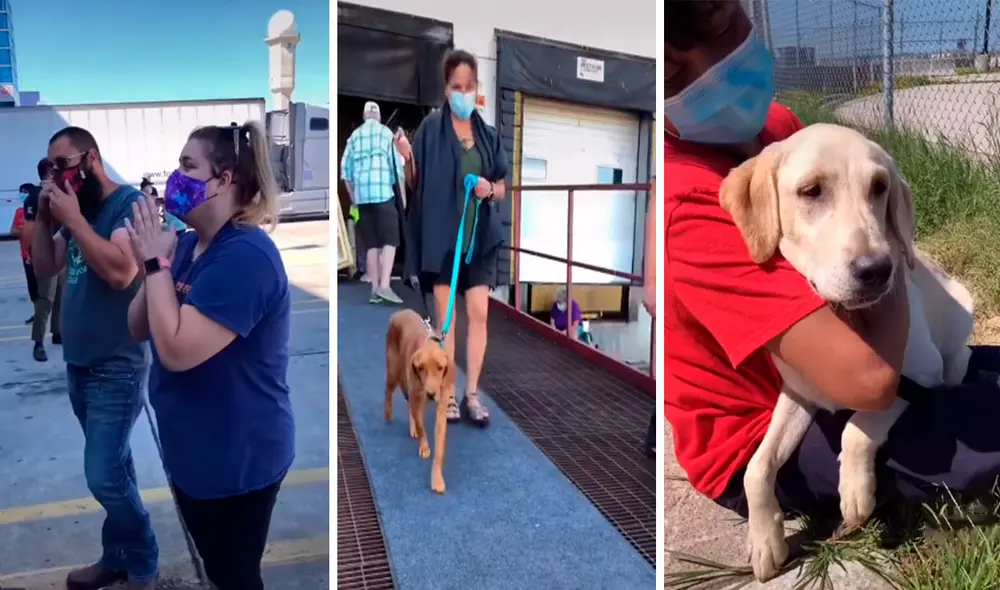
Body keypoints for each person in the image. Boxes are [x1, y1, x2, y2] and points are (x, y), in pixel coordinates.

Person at [665, 0, 1000, 536]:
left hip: (852, 367)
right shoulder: (692, 205)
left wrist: (888, 238)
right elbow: (869, 383)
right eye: (672, 68)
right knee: (983, 432)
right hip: (754, 433)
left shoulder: (778, 129)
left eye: (732, 23)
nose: (724, 62)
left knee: (984, 372)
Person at [125, 122, 294, 590]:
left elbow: (176, 350)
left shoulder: (246, 256)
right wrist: (154, 259)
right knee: (221, 570)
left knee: (234, 576)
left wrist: (156, 264)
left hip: (238, 465)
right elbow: (139, 326)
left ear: (224, 179)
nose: (174, 180)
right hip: (196, 457)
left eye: (187, 166)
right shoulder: (185, 245)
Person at [31, 127, 158, 589]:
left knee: (103, 476)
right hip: (80, 364)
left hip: (116, 364)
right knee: (115, 469)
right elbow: (47, 265)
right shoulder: (76, 212)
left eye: (62, 164)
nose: (56, 175)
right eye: (49, 168)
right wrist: (47, 219)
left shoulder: (126, 205)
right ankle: (116, 556)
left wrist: (77, 222)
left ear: (91, 159)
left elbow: (123, 272)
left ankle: (141, 556)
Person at [395, 49, 508, 426]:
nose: (463, 93)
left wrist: (488, 190)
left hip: (479, 239)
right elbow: (416, 185)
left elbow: (503, 186)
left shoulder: (489, 136)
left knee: (479, 314)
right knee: (447, 322)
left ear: (477, 88)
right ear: (446, 89)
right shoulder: (429, 129)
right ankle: (448, 394)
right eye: (456, 86)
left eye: (469, 86)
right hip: (444, 239)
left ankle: (471, 393)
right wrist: (408, 158)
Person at [341, 101, 405, 304]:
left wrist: (355, 199)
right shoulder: (386, 134)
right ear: (378, 116)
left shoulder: (353, 138)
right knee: (390, 241)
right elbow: (397, 170)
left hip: (363, 199)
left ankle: (374, 289)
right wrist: (402, 198)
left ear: (363, 116)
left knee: (371, 245)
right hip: (384, 195)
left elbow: (346, 174)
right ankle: (385, 286)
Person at [26, 160, 64, 361]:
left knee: (60, 295)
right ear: (49, 171)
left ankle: (57, 333)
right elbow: (30, 229)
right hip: (46, 250)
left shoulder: (59, 194)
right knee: (46, 299)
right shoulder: (35, 197)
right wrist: (33, 254)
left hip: (61, 247)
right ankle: (38, 342)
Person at [11, 183, 37, 325]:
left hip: (39, 253)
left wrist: (24, 229)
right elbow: (13, 231)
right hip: (25, 254)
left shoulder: (37, 209)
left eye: (24, 192)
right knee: (32, 285)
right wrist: (27, 230)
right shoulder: (19, 212)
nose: (22, 195)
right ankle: (37, 313)